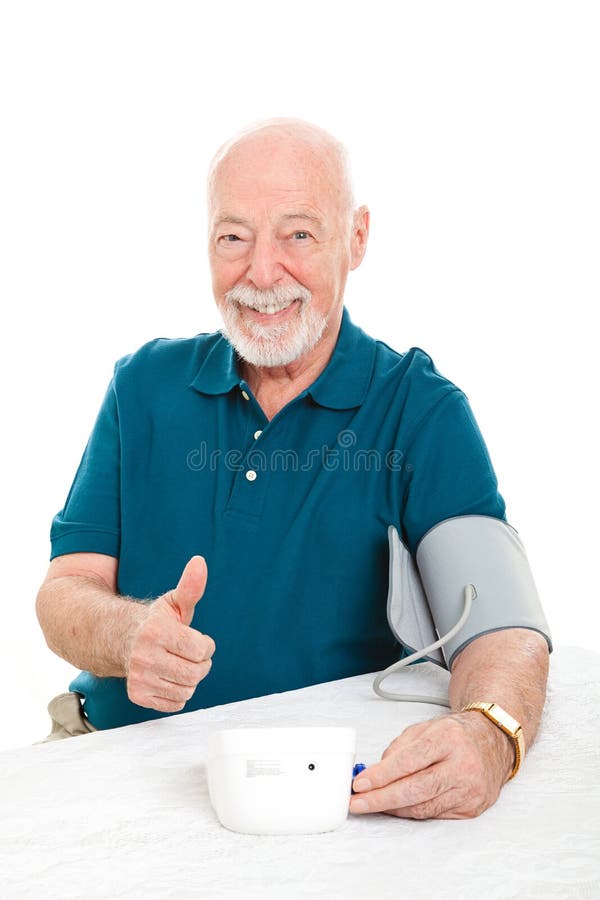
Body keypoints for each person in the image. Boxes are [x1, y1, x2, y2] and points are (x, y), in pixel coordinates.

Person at [36, 118, 550, 820]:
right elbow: (65, 593)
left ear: (357, 238)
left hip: (308, 799)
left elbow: (504, 628)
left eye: (298, 235)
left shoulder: (421, 412)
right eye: (234, 237)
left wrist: (490, 733)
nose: (262, 272)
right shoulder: (141, 387)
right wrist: (126, 636)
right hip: (109, 758)